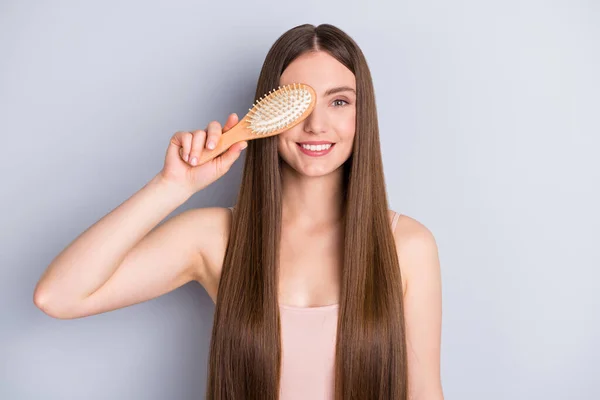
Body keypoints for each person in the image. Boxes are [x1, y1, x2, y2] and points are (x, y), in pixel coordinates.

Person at [33, 23, 443, 400]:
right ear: (267, 115)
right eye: (298, 103)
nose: (316, 124)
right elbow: (59, 296)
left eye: (339, 101)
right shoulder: (215, 238)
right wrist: (171, 186)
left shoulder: (407, 246)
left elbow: (424, 392)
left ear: (362, 114)